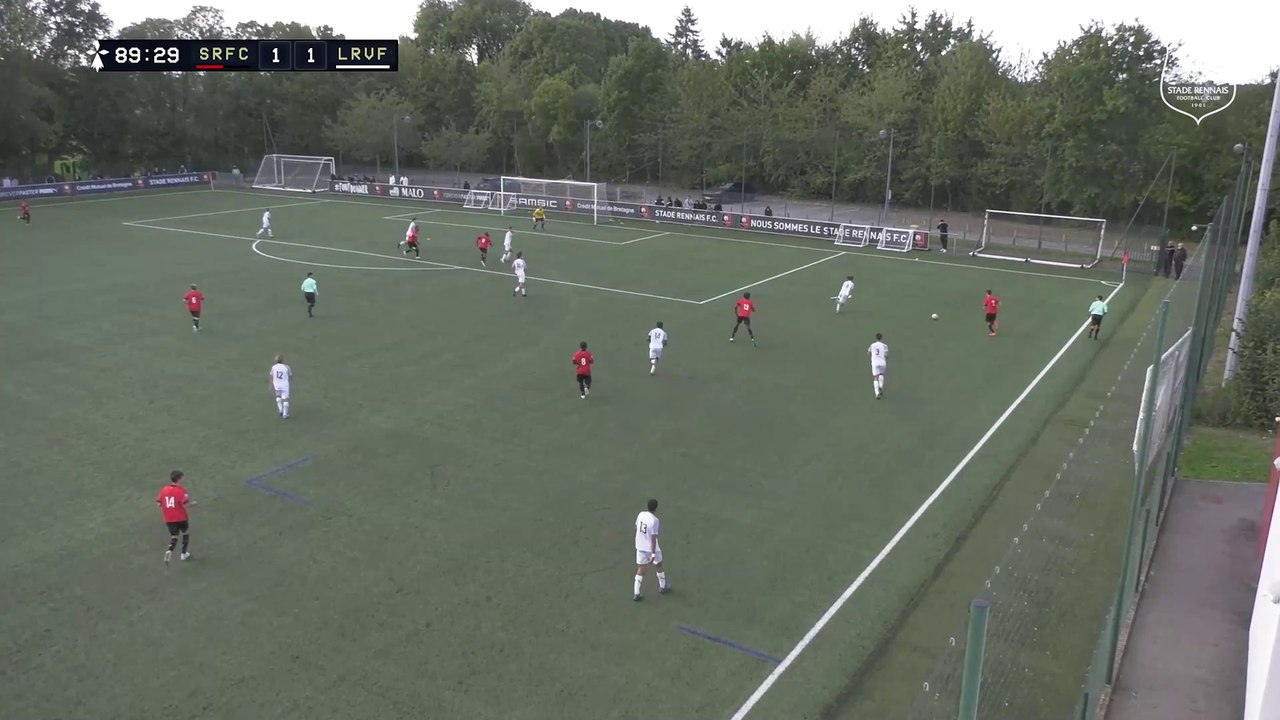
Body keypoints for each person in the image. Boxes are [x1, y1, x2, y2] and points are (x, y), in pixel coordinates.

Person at [633, 498, 669, 601]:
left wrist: (636, 540)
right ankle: (663, 586)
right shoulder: (654, 520)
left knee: (641, 569)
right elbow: (653, 538)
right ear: (656, 508)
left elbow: (636, 528)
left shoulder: (641, 514)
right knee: (658, 564)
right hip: (650, 548)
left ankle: (636, 593)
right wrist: (653, 554)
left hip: (640, 546)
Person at [157, 470, 194, 564]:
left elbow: (159, 503)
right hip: (181, 517)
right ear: (179, 479)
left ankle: (169, 550)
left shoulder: (164, 489)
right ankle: (184, 554)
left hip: (169, 518)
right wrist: (194, 504)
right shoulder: (181, 491)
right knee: (185, 533)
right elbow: (185, 505)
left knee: (174, 536)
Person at [269, 353, 293, 419]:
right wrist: (291, 384)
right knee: (285, 400)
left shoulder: (273, 367)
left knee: (278, 397)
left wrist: (270, 384)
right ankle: (285, 414)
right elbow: (290, 376)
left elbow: (271, 376)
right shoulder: (287, 367)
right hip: (284, 385)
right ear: (283, 360)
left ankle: (280, 410)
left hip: (277, 384)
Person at [868, 333, 889, 399]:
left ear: (876, 338)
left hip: (875, 363)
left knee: (875, 377)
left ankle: (877, 393)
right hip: (882, 362)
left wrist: (872, 357)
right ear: (881, 338)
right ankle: (880, 386)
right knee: (881, 374)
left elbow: (868, 353)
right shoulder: (885, 346)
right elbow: (886, 355)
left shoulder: (872, 345)